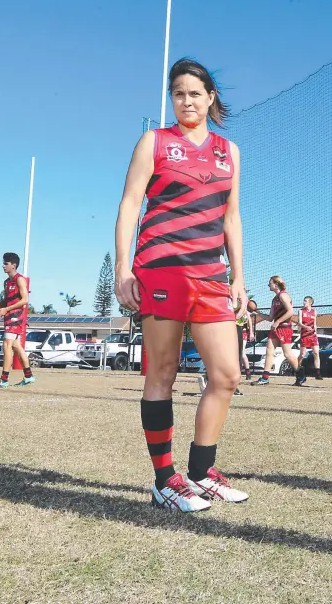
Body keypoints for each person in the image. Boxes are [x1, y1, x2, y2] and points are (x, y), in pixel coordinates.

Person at [115, 58, 249, 512]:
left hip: (211, 277)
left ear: (211, 97)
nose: (186, 100)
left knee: (227, 374)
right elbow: (131, 203)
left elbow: (231, 217)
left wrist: (239, 277)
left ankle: (200, 473)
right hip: (161, 270)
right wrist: (122, 270)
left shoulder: (228, 151)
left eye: (194, 92)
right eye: (178, 93)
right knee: (164, 371)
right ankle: (164, 481)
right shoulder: (154, 142)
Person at [0, 253, 35, 389]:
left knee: (7, 345)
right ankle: (29, 376)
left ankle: (4, 380)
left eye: (6, 263)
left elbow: (25, 300)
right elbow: (7, 300)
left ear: (13, 265)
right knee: (16, 346)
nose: (3, 265)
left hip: (16, 316)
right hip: (9, 315)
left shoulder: (20, 280)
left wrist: (6, 309)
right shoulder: (7, 282)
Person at [251, 276, 299, 386]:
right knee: (269, 350)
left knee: (287, 354)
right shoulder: (274, 299)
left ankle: (300, 374)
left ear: (276, 284)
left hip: (284, 328)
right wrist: (257, 313)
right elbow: (270, 318)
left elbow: (290, 311)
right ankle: (265, 377)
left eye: (270, 283)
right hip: (276, 329)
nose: (269, 285)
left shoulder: (283, 295)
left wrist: (278, 322)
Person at [296, 296, 321, 380]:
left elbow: (314, 324)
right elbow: (299, 323)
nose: (304, 302)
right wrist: (305, 327)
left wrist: (315, 332)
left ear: (310, 302)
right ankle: (297, 368)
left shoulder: (314, 311)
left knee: (316, 353)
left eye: (305, 301)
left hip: (313, 335)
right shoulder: (300, 311)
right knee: (302, 355)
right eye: (304, 301)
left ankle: (317, 373)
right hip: (304, 335)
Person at [236, 307, 255, 381]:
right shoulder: (234, 310)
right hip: (235, 332)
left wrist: (251, 333)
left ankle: (248, 372)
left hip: (243, 333)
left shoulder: (245, 312)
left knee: (242, 353)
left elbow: (250, 322)